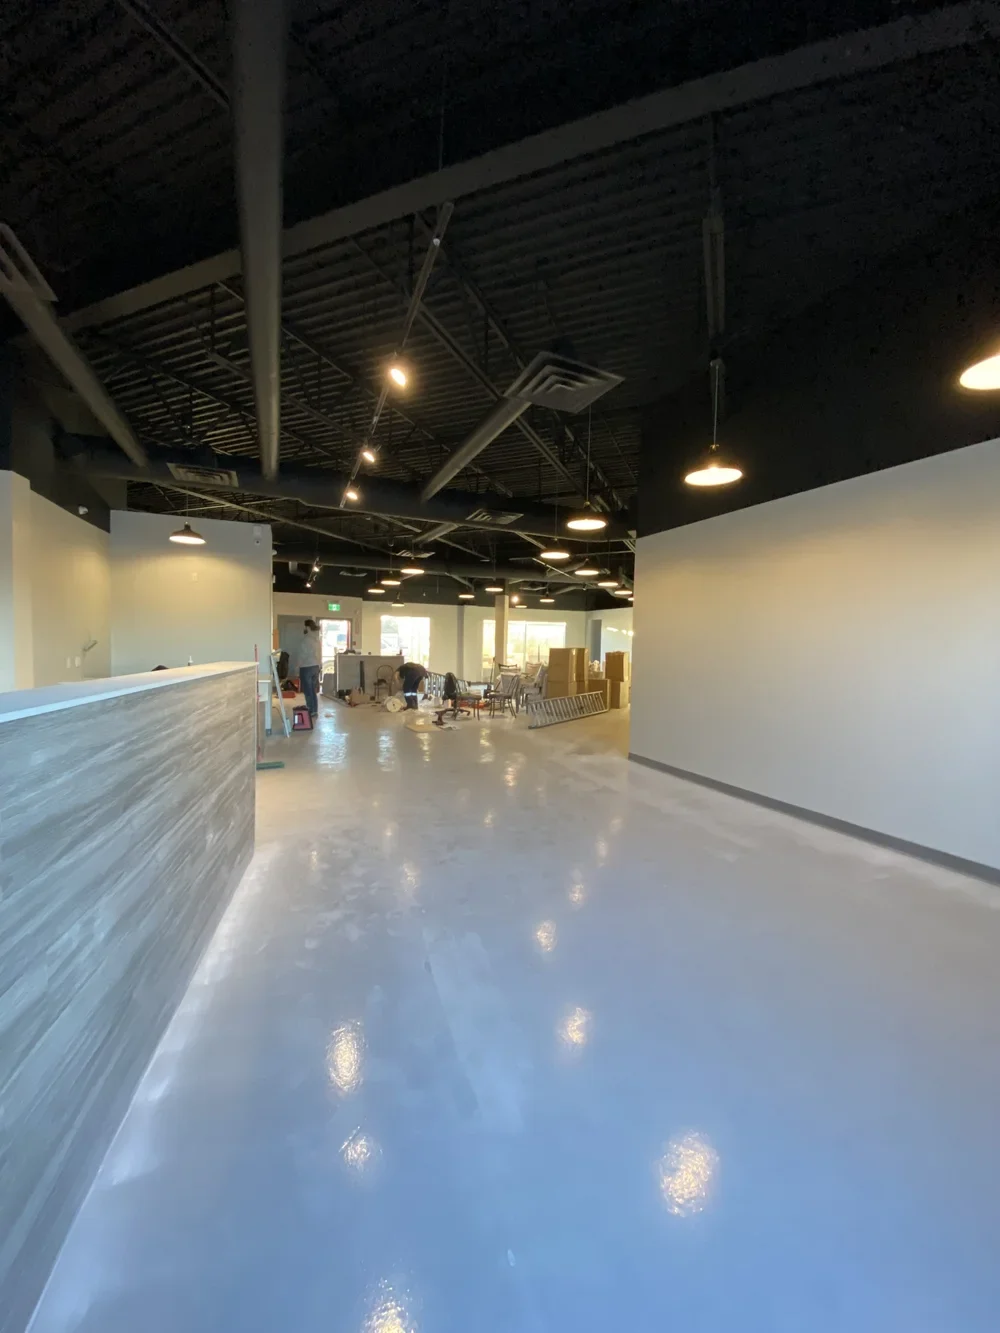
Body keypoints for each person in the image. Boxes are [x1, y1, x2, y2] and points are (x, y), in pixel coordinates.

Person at [299, 619, 322, 720]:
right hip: (315, 667)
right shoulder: (317, 640)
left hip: (306, 667)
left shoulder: (306, 640)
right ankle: (314, 710)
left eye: (304, 627)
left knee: (308, 691)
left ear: (307, 627)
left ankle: (310, 709)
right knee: (312, 690)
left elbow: (303, 655)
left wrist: (297, 665)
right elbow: (319, 654)